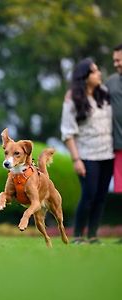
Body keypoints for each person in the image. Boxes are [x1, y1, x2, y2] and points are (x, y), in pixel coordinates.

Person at [60, 58, 114, 244]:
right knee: (88, 195)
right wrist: (76, 160)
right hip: (86, 155)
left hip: (107, 154)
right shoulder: (72, 99)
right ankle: (77, 235)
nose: (99, 74)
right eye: (94, 71)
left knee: (100, 196)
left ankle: (92, 236)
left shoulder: (104, 94)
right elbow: (67, 133)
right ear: (84, 76)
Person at [105, 44, 122, 193]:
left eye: (118, 60)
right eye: (114, 60)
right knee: (120, 190)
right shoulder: (111, 82)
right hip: (118, 146)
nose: (116, 64)